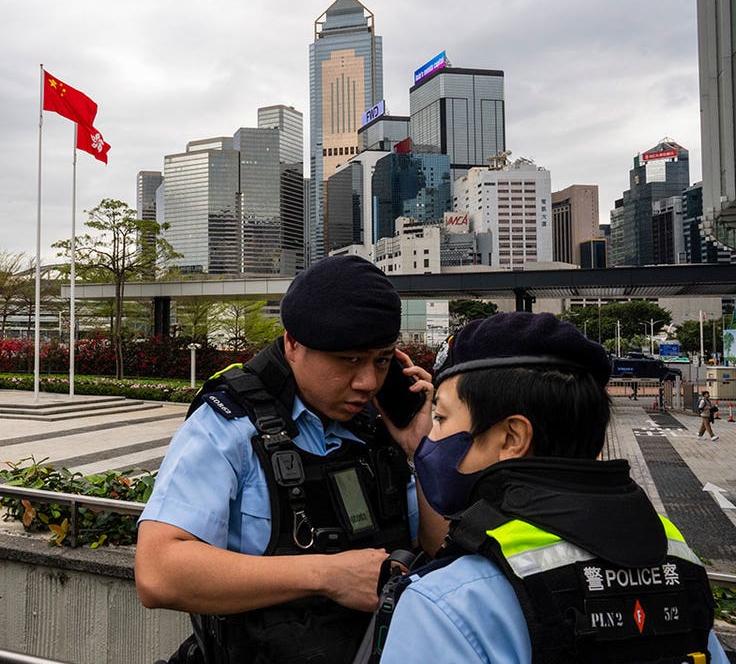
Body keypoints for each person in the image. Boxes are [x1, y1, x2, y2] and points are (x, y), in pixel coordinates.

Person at [365, 312, 728, 664]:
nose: (432, 435)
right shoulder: (679, 559)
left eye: (440, 417)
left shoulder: (447, 604)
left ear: (513, 436)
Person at [134, 255, 435, 663]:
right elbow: (158, 573)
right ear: (293, 344)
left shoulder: (380, 427)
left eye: (381, 360)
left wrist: (422, 450)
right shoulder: (227, 426)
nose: (367, 382)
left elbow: (438, 546)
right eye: (349, 360)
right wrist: (327, 576)